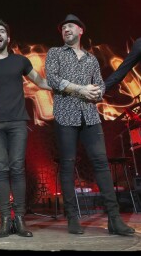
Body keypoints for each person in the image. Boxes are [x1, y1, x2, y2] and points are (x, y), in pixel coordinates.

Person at [45, 13, 135, 236]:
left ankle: (114, 219)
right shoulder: (55, 53)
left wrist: (97, 92)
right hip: (66, 115)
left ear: (80, 31)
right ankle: (72, 218)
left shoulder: (91, 59)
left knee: (102, 164)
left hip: (90, 117)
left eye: (70, 26)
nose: (66, 29)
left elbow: (99, 87)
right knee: (67, 165)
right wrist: (80, 89)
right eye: (63, 27)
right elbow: (53, 80)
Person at [0, 18, 51, 238]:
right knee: (1, 168)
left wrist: (69, 86)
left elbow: (41, 82)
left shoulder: (20, 61)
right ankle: (5, 220)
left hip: (17, 122)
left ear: (7, 37)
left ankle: (20, 220)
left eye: (2, 31)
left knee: (16, 168)